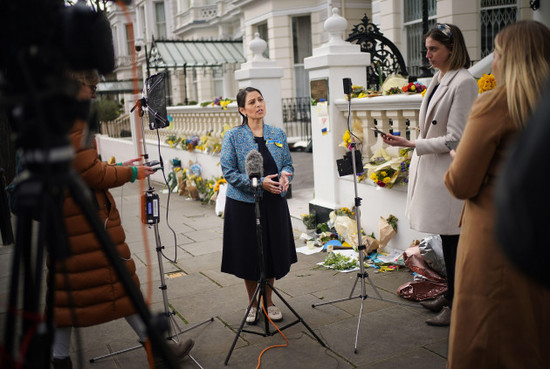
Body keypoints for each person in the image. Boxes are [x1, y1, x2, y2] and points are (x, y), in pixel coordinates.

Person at [50, 70, 193, 369]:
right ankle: (157, 349)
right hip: (82, 221)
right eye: (91, 87)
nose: (94, 93)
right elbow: (88, 173)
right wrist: (131, 173)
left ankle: (61, 358)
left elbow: (82, 165)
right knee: (113, 284)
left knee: (70, 295)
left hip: (70, 218)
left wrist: (116, 166)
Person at [444, 21, 550, 368]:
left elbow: (462, 183)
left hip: (496, 236)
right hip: (541, 234)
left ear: (506, 58)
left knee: (487, 334)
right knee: (532, 330)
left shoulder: (498, 103)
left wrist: (458, 158)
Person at [382, 23, 478, 326]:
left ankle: (457, 305)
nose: (428, 55)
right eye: (427, 48)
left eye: (434, 49)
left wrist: (412, 143)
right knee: (446, 239)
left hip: (448, 173)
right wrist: (409, 142)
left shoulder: (464, 82)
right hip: (433, 171)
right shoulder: (440, 78)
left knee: (453, 241)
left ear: (452, 48)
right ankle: (450, 296)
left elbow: (456, 138)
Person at [220, 87, 296, 324]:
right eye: (252, 102)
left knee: (270, 252)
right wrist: (257, 184)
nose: (258, 104)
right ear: (242, 110)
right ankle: (253, 303)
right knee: (249, 253)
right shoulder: (233, 136)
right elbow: (229, 172)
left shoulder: (277, 133)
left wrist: (285, 176)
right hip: (244, 205)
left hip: (273, 203)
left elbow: (288, 164)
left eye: (260, 99)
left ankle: (268, 302)